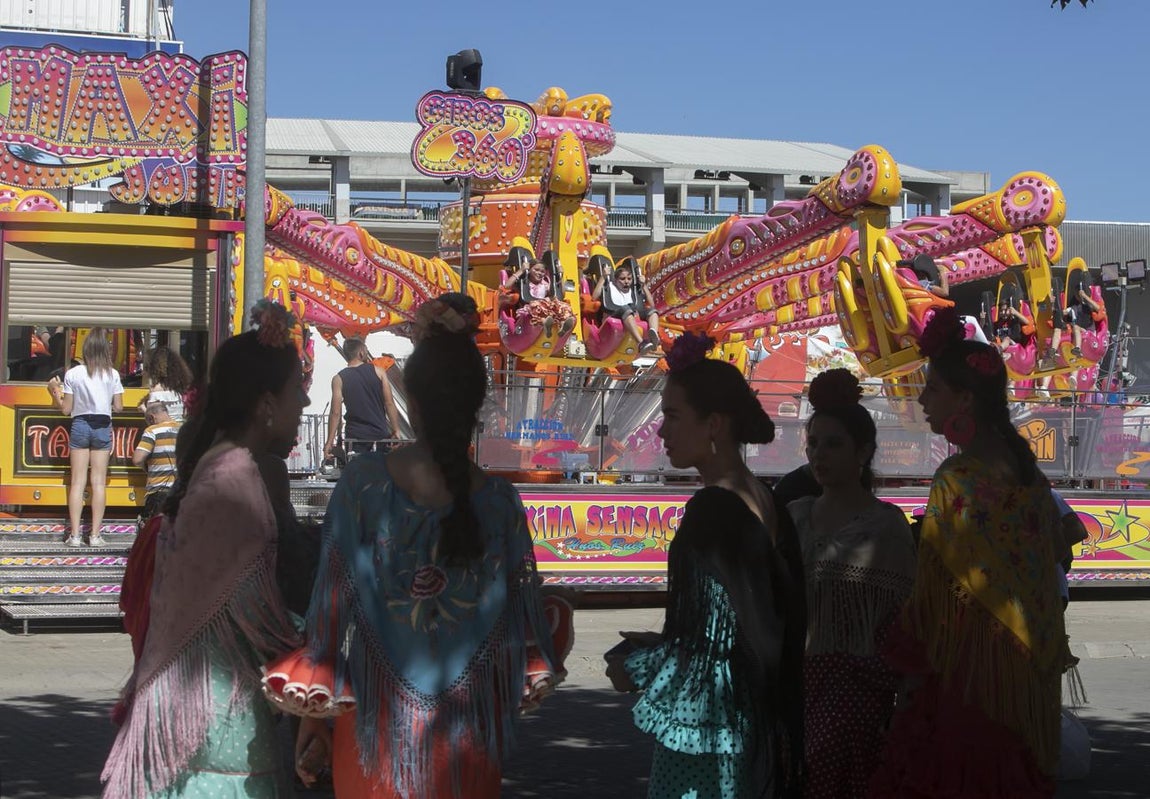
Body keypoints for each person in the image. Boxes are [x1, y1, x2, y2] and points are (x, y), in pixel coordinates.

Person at [267, 293, 562, 798]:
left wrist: (313, 717)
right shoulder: (500, 502)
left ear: (413, 403)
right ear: (476, 406)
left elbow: (330, 609)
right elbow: (519, 629)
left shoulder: (363, 484)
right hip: (467, 742)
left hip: (374, 734)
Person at [101, 301, 308, 798]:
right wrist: (311, 645)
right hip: (212, 724)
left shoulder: (223, 466)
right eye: (296, 388)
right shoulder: (237, 478)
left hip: (200, 714)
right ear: (266, 404)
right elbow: (253, 608)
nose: (305, 399)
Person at [867, 307, 1068, 798]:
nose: (923, 399)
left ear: (964, 399)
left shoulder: (957, 480)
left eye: (933, 389)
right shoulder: (1030, 478)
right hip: (1024, 683)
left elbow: (931, 604)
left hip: (968, 687)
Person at [605, 331, 805, 799]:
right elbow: (745, 623)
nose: (662, 431)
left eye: (673, 416)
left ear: (713, 424)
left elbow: (706, 650)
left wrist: (633, 669)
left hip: (711, 729)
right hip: (754, 719)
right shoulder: (765, 498)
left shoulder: (713, 509)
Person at [786, 368, 916, 798]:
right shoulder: (795, 517)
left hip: (858, 694)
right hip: (794, 688)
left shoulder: (886, 526)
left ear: (864, 451)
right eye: (813, 444)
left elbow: (907, 625)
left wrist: (905, 703)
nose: (819, 454)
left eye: (833, 444)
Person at [47, 328, 124, 547]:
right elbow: (119, 407)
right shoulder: (112, 374)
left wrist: (55, 393)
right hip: (102, 425)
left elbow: (66, 409)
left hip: (80, 424)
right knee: (98, 482)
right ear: (106, 349)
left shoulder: (73, 374)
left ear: (86, 349)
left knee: (77, 482)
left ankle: (75, 536)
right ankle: (95, 536)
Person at [323, 337, 401, 459]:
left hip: (355, 438)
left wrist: (329, 441)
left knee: (358, 469)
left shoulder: (338, 379)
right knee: (381, 468)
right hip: (379, 435)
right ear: (361, 353)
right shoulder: (379, 372)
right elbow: (389, 403)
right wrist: (396, 430)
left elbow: (335, 412)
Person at [594, 258, 661, 353]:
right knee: (627, 310)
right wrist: (603, 277)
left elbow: (652, 304)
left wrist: (643, 285)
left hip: (632, 315)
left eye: (629, 279)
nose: (626, 281)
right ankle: (641, 343)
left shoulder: (633, 291)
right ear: (615, 280)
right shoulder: (610, 286)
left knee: (652, 311)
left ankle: (654, 338)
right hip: (615, 314)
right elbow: (594, 297)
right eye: (622, 279)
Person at [503, 255, 577, 337]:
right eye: (536, 270)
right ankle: (545, 324)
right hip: (529, 310)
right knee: (536, 305)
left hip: (545, 310)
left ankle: (563, 325)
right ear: (529, 269)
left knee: (562, 305)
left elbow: (561, 294)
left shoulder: (545, 284)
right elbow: (506, 286)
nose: (539, 273)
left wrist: (561, 277)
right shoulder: (523, 282)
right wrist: (521, 270)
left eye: (542, 271)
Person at [131, 401, 180, 524]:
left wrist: (145, 466)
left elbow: (137, 459)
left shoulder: (152, 431)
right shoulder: (182, 429)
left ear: (152, 417)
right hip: (180, 492)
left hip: (159, 492)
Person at [137, 345, 193, 421]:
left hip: (164, 428)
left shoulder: (156, 390)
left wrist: (143, 408)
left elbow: (155, 418)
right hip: (180, 426)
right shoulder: (180, 388)